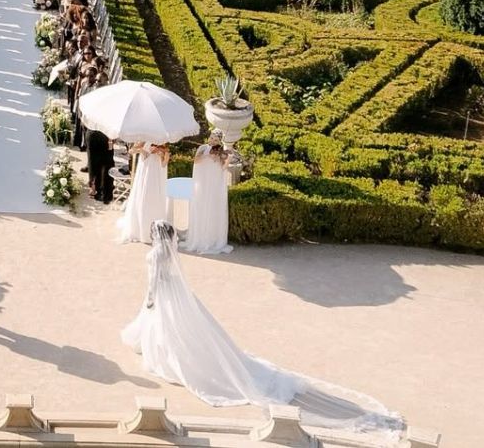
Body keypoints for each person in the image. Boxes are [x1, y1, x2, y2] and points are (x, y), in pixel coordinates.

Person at [122, 222, 404, 441]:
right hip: (178, 297)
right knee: (185, 331)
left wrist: (149, 300)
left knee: (165, 330)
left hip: (164, 295)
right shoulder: (169, 252)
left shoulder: (153, 255)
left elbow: (153, 282)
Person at [182, 132, 232, 255]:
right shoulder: (203, 148)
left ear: (219, 142)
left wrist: (227, 159)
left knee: (213, 207)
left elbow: (223, 167)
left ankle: (212, 238)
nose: (213, 141)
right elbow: (196, 161)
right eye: (212, 138)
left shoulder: (220, 151)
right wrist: (207, 156)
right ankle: (200, 237)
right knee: (202, 205)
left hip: (214, 183)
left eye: (216, 139)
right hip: (203, 182)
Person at [117, 141, 169, 243]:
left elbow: (164, 164)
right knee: (143, 199)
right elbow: (131, 151)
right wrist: (142, 151)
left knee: (154, 201)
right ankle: (141, 229)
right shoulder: (144, 139)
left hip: (156, 177)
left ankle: (155, 228)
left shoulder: (163, 143)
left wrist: (163, 155)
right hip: (144, 175)